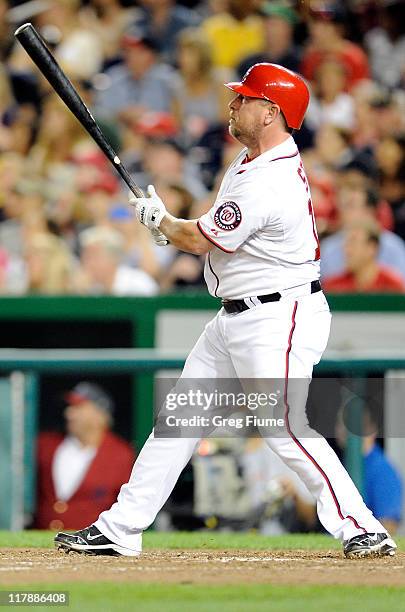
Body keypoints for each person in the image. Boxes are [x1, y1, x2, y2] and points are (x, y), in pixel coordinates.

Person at [54, 63, 397, 558]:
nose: (234, 104)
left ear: (271, 112)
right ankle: (121, 528)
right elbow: (215, 238)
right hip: (238, 315)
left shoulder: (270, 180)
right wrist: (166, 225)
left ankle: (362, 526)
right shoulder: (249, 160)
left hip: (277, 317)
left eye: (246, 99)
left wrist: (165, 224)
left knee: (282, 425)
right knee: (179, 418)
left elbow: (199, 238)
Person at [35, 382, 135, 530]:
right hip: (41, 544)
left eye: (78, 407)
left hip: (91, 545)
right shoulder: (46, 445)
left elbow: (127, 504)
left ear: (100, 415)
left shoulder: (120, 454)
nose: (69, 413)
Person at [336, 407, 403, 535]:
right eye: (341, 424)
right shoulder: (342, 463)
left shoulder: (382, 470)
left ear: (372, 429)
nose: (344, 430)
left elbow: (389, 525)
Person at [323, 221, 405, 294]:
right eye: (346, 243)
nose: (346, 250)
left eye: (353, 242)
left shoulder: (393, 287)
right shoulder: (333, 287)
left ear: (372, 248)